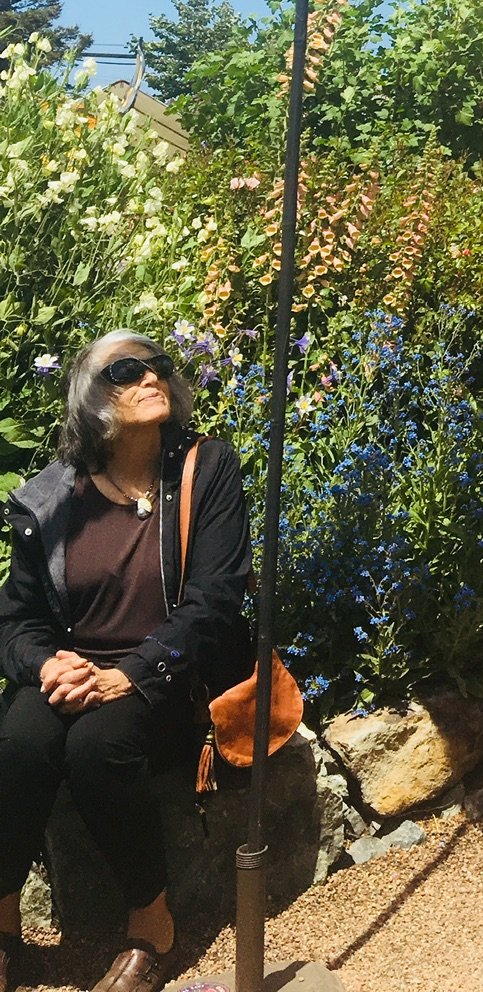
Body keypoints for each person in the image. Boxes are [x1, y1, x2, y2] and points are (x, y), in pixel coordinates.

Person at [0, 333, 253, 992]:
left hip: (169, 669)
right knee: (17, 741)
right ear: (92, 396)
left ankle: (152, 921)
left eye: (157, 366)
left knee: (95, 749)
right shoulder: (53, 500)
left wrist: (133, 672)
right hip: (77, 667)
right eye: (126, 370)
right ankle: (2, 933)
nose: (151, 377)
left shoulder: (206, 468)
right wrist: (44, 664)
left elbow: (214, 599)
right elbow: (16, 621)